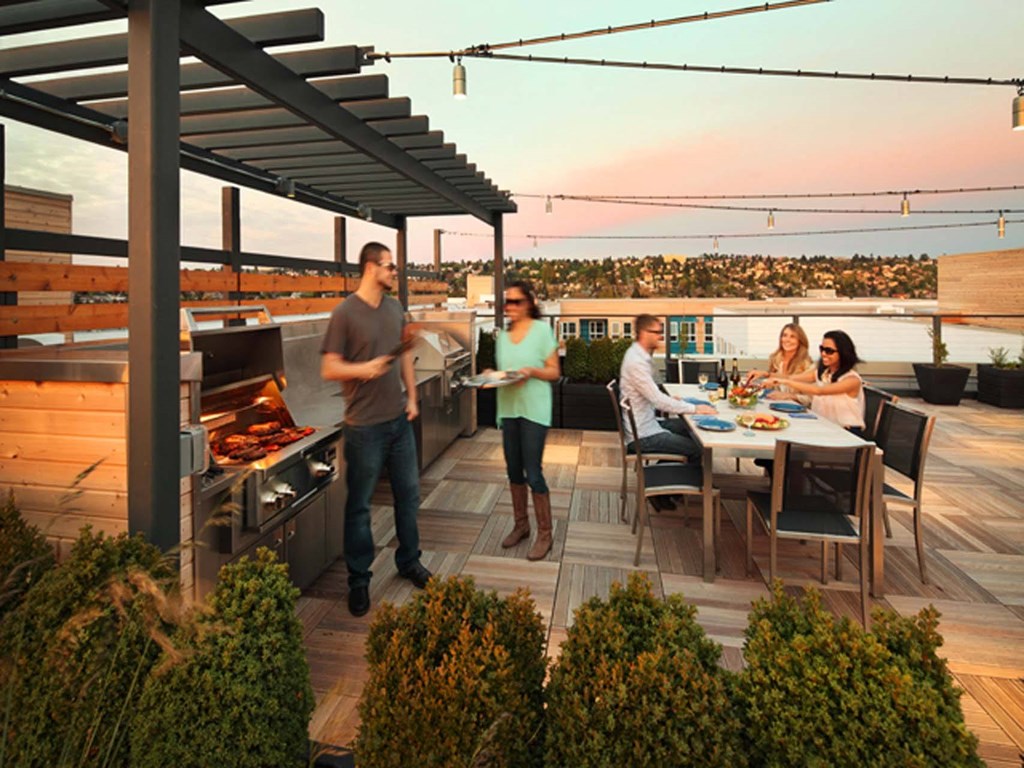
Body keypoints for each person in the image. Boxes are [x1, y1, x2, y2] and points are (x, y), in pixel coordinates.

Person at [320, 242, 432, 617]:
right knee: (360, 508)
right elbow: (329, 368)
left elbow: (404, 356)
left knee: (409, 497)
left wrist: (413, 397)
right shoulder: (344, 314)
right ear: (371, 268)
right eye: (390, 266)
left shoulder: (395, 308)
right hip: (363, 428)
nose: (394, 272)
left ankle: (409, 561)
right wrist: (362, 370)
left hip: (398, 422)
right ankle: (359, 580)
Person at [494, 281, 561, 561]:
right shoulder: (501, 337)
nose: (510, 307)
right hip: (509, 408)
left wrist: (531, 371)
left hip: (534, 410)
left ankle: (545, 533)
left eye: (516, 302)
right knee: (513, 471)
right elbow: (503, 374)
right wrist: (491, 375)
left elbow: (554, 372)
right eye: (507, 302)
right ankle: (521, 525)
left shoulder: (542, 332)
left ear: (529, 304)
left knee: (533, 472)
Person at [619, 314, 717, 463]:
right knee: (698, 448)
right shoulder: (636, 362)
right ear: (644, 333)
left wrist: (674, 401)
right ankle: (687, 482)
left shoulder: (639, 356)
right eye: (657, 332)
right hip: (643, 435)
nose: (660, 337)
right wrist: (695, 408)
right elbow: (658, 401)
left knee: (690, 428)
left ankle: (667, 473)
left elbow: (653, 395)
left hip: (649, 423)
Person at [764, 329, 866, 434]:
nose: (823, 353)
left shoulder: (852, 380)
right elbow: (791, 377)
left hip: (845, 431)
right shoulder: (824, 373)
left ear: (843, 353)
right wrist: (765, 375)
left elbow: (819, 391)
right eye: (821, 349)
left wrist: (784, 382)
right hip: (824, 427)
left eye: (829, 351)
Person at [745, 323, 814, 406]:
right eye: (784, 335)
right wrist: (758, 385)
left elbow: (810, 399)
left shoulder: (806, 365)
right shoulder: (776, 360)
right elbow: (773, 386)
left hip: (797, 411)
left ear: (800, 341)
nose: (787, 339)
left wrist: (789, 396)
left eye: (792, 337)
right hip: (776, 406)